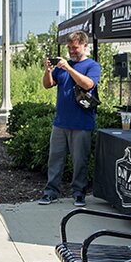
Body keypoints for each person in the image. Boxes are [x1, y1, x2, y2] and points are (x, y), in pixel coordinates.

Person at [39, 30, 101, 207]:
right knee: (55, 159)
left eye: (75, 48)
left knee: (80, 160)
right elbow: (48, 85)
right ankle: (51, 192)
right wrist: (48, 71)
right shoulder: (62, 66)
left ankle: (79, 193)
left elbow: (88, 84)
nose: (72, 51)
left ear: (85, 46)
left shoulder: (92, 66)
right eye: (69, 48)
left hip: (82, 123)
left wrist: (69, 68)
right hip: (60, 122)